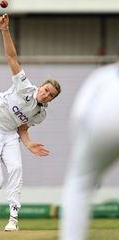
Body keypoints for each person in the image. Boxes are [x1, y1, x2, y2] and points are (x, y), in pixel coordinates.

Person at [0, 13, 61, 232]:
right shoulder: (24, 86)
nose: (47, 95)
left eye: (51, 95)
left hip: (10, 135)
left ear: (52, 100)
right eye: (46, 90)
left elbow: (22, 128)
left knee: (17, 168)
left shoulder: (41, 114)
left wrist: (28, 144)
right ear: (41, 86)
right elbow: (11, 57)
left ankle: (13, 219)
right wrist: (5, 30)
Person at [59, 62, 119, 240]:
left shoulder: (102, 75)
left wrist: (83, 164)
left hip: (106, 114)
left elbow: (78, 116)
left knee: (79, 184)